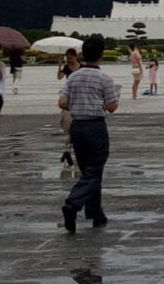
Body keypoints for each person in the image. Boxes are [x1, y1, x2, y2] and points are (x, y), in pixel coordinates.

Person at [59, 35, 119, 233]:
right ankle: (73, 204)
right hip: (95, 128)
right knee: (94, 171)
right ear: (101, 54)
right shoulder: (104, 78)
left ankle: (96, 213)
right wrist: (115, 97)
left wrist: (78, 103)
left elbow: (62, 102)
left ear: (83, 53)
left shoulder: (73, 76)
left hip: (78, 128)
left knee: (90, 171)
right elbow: (111, 107)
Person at [57, 48, 81, 167]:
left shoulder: (81, 67)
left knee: (77, 119)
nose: (69, 59)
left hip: (79, 96)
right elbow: (59, 77)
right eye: (68, 57)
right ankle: (70, 138)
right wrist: (60, 66)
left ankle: (72, 141)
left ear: (75, 56)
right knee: (67, 119)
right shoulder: (67, 68)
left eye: (71, 56)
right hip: (68, 96)